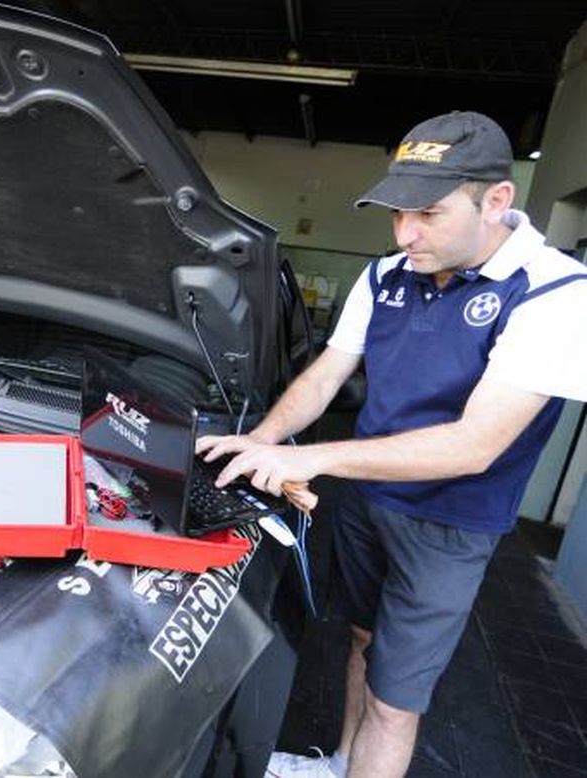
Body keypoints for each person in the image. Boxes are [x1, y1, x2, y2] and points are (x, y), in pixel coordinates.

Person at [195, 111, 587, 778]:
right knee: (361, 641)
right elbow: (327, 372)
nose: (406, 233)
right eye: (397, 213)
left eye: (429, 213)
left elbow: (475, 446)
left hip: (448, 524)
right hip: (367, 501)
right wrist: (261, 441)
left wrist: (310, 457)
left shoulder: (554, 293)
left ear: (497, 200)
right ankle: (340, 764)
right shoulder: (386, 276)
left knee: (395, 699)